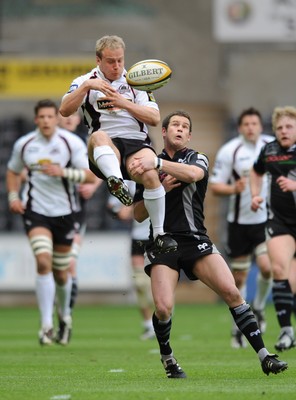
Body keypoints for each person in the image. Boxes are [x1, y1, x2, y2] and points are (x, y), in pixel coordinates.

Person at [130, 110, 287, 378]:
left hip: (195, 240)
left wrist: (156, 163)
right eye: (174, 125)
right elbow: (137, 213)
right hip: (161, 244)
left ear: (189, 135)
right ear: (164, 132)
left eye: (185, 126)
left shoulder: (193, 158)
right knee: (164, 308)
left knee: (232, 293)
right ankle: (167, 357)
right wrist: (161, 190)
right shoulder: (148, 172)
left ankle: (265, 356)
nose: (179, 129)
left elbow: (192, 175)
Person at [59, 34, 177, 255]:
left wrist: (124, 103)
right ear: (98, 60)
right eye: (111, 61)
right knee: (98, 136)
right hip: (105, 147)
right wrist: (85, 88)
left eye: (120, 60)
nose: (116, 66)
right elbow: (64, 110)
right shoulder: (85, 81)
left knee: (151, 175)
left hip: (135, 144)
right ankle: (117, 181)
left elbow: (153, 118)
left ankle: (160, 235)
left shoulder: (137, 83)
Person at [6, 99, 96, 345]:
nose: (46, 120)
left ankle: (64, 316)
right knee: (43, 261)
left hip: (66, 213)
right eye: (42, 117)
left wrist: (64, 172)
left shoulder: (71, 143)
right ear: (36, 120)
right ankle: (46, 324)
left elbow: (90, 175)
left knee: (61, 272)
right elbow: (13, 171)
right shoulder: (25, 145)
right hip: (36, 211)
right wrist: (14, 196)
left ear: (56, 119)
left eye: (50, 116)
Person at [209, 108, 273, 348]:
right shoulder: (230, 151)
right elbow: (215, 186)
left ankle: (259, 306)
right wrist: (233, 189)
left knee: (267, 267)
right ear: (239, 128)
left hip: (266, 220)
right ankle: (240, 326)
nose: (250, 127)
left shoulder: (271, 146)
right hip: (238, 223)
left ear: (260, 126)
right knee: (240, 277)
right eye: (246, 124)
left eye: (254, 123)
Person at [250, 105, 296, 352]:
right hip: (279, 221)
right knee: (278, 268)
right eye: (279, 128)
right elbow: (255, 172)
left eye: (289, 126)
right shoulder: (268, 151)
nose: (284, 131)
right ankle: (286, 332)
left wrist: (294, 184)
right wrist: (255, 194)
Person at [57, 112, 102, 330]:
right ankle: (56, 309)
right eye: (63, 114)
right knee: (54, 264)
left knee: (69, 264)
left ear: (78, 119)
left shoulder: (85, 143)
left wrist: (92, 186)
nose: (67, 118)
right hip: (48, 211)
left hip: (75, 211)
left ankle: (65, 316)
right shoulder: (47, 143)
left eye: (73, 115)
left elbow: (103, 169)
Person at [108, 181, 155, 340]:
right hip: (139, 237)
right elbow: (118, 211)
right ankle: (148, 324)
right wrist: (129, 206)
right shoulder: (126, 182)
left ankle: (162, 319)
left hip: (161, 236)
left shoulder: (162, 176)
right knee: (140, 283)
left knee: (160, 283)